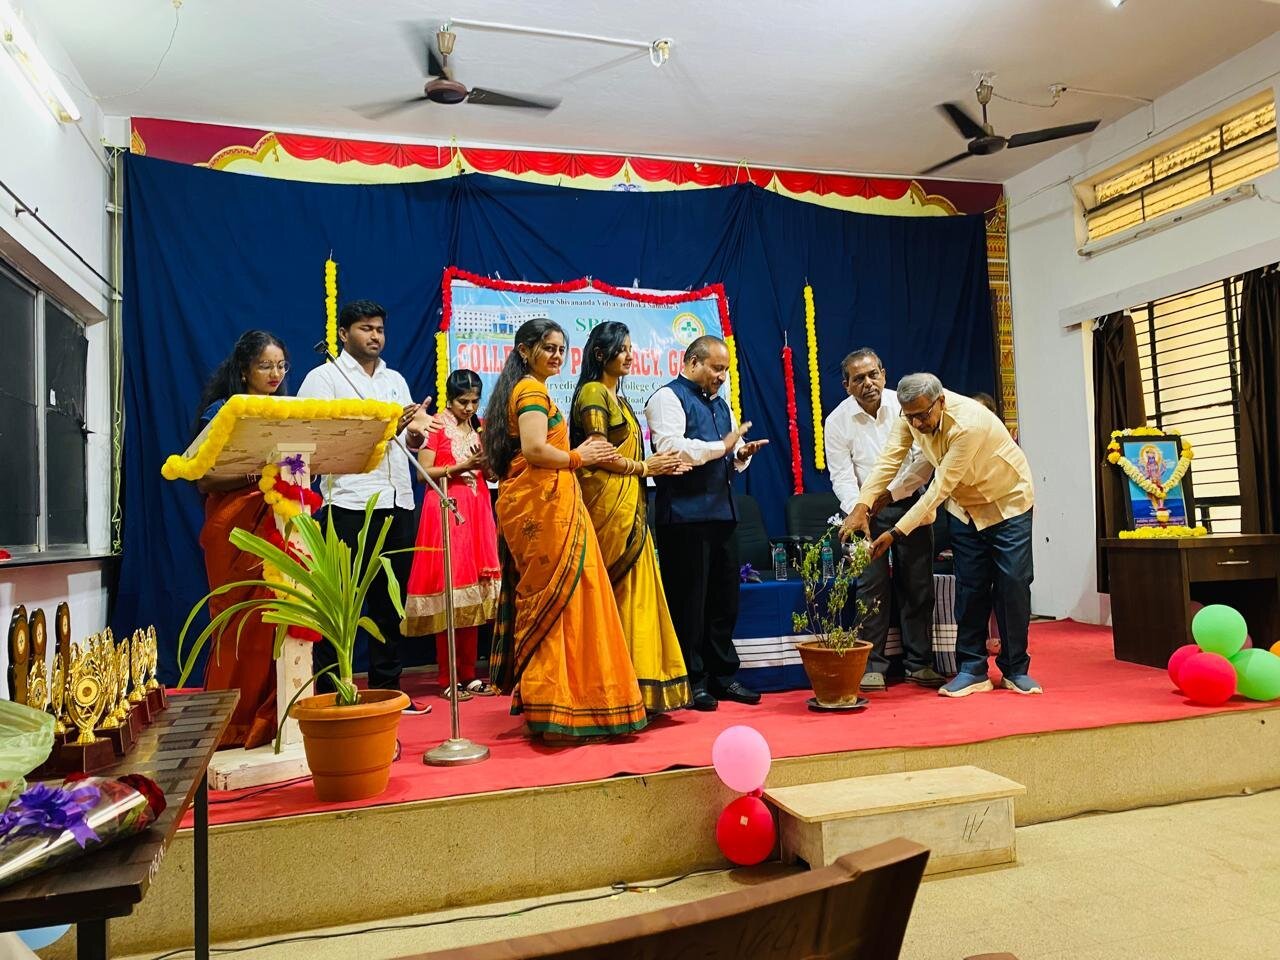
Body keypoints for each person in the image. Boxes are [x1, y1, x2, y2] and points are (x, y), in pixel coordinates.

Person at [482, 318, 648, 742]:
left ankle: (562, 703)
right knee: (564, 605)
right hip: (546, 509)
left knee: (567, 603)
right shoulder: (531, 391)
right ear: (525, 351)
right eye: (548, 348)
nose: (557, 355)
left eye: (561, 348)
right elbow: (535, 449)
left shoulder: (525, 389)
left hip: (549, 505)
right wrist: (579, 456)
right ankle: (561, 706)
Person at [841, 373, 1040, 697]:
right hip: (965, 508)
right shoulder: (911, 416)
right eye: (910, 417)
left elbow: (938, 489)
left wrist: (895, 533)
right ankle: (972, 669)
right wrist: (862, 505)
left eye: (923, 415)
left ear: (941, 402)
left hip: (1007, 503)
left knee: (1013, 584)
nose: (917, 424)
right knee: (970, 586)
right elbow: (888, 462)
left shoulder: (968, 424)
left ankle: (1015, 669)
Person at [296, 299, 431, 714]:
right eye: (365, 328)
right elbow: (313, 442)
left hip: (397, 500)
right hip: (349, 503)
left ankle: (388, 693)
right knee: (341, 607)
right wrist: (378, 430)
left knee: (389, 606)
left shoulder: (395, 380)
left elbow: (410, 441)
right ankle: (335, 694)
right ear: (343, 333)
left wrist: (413, 435)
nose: (375, 336)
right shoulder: (324, 379)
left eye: (379, 329)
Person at [570, 322, 693, 714]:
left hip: (629, 506)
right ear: (599, 354)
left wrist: (657, 465)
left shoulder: (617, 398)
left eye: (629, 348)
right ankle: (617, 690)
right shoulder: (594, 392)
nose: (629, 355)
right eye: (621, 348)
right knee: (622, 594)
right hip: (608, 510)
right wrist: (645, 467)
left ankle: (637, 687)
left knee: (636, 595)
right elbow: (598, 452)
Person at [646, 336, 768, 712]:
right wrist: (723, 447)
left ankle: (723, 676)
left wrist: (740, 454)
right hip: (684, 518)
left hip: (722, 514)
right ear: (693, 363)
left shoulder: (721, 404)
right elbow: (672, 448)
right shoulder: (667, 398)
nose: (721, 376)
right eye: (716, 368)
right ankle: (692, 680)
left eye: (725, 370)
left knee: (723, 601)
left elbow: (726, 458)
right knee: (689, 603)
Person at [192, 330, 291, 748]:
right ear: (245, 370)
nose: (274, 373)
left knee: (274, 622)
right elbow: (203, 479)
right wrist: (257, 475)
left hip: (279, 523)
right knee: (238, 622)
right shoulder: (223, 412)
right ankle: (231, 724)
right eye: (265, 365)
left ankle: (271, 719)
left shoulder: (288, 412)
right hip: (233, 528)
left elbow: (297, 463)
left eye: (281, 365)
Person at [823, 349, 942, 692]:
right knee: (870, 587)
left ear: (884, 375)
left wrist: (890, 494)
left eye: (873, 374)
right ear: (846, 385)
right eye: (858, 378)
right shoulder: (837, 421)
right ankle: (872, 665)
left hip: (910, 503)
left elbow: (922, 461)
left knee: (918, 585)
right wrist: (858, 509)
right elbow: (842, 475)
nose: (868, 383)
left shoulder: (904, 407)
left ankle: (919, 664)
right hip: (864, 513)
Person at [401, 370, 501, 701]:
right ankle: (448, 677)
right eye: (462, 402)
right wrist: (462, 467)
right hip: (446, 509)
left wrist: (487, 465)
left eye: (474, 401)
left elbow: (489, 474)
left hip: (476, 511)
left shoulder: (478, 427)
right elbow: (422, 473)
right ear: (449, 398)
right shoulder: (436, 426)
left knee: (472, 595)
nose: (469, 408)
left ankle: (469, 674)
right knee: (451, 594)